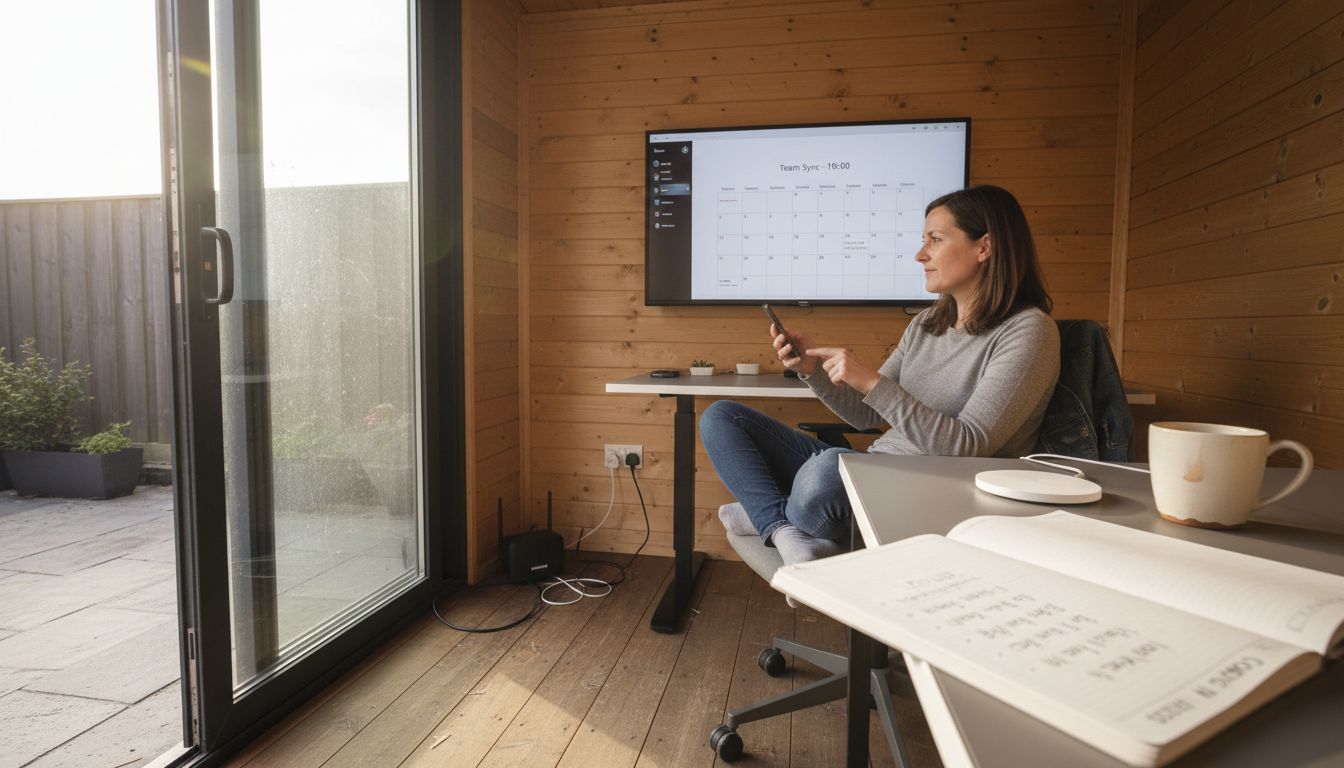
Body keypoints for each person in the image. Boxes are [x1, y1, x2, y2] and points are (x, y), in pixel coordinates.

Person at [700, 185, 1060, 565]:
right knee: (723, 417)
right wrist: (813, 372)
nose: (920, 255)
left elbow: (968, 446)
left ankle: (765, 513)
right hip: (872, 471)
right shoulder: (927, 324)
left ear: (984, 247)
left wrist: (872, 381)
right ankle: (781, 526)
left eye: (934, 240)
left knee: (824, 470)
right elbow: (869, 416)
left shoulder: (1027, 331)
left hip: (930, 492)